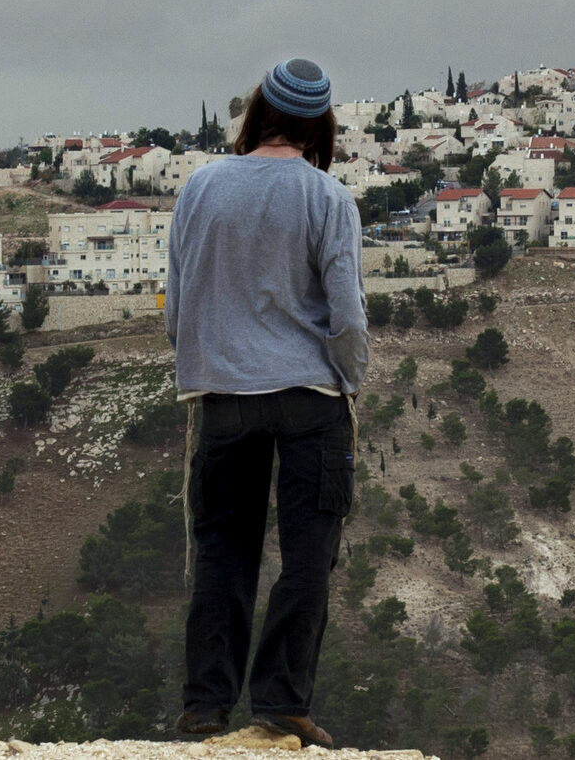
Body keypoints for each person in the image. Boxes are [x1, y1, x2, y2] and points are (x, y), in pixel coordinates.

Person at [166, 58, 367, 748]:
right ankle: (282, 703)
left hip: (222, 396)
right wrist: (351, 380)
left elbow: (180, 302)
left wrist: (204, 362)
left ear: (255, 114)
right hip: (308, 396)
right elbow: (346, 316)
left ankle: (205, 707)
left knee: (222, 551)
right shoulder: (327, 197)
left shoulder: (199, 188)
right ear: (321, 125)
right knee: (309, 553)